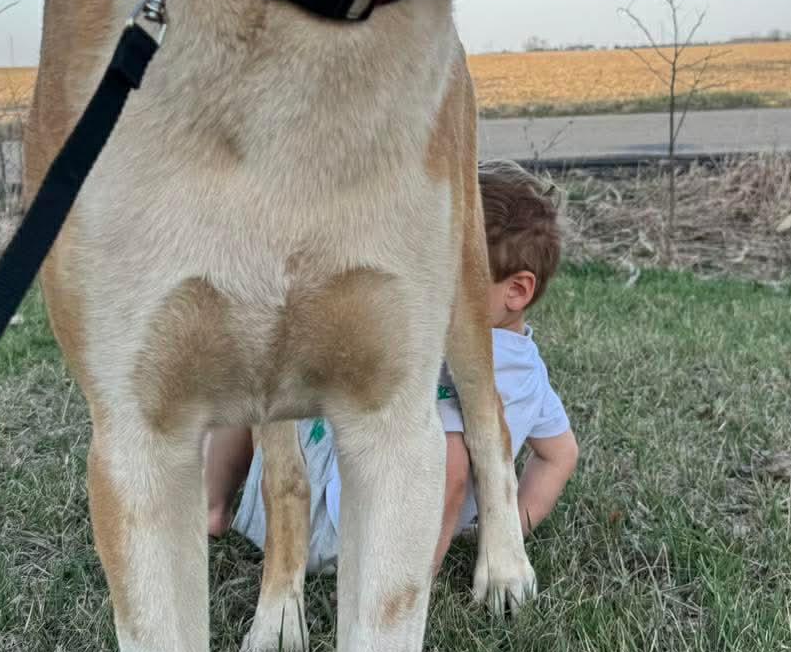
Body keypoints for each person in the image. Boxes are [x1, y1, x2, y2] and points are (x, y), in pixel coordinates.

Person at [206, 162, 579, 573]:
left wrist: (412, 576)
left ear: (516, 290)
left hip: (328, 524)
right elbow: (560, 455)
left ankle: (211, 506)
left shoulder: (445, 358)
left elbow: (450, 472)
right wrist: (503, 532)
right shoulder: (529, 372)